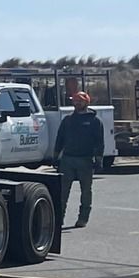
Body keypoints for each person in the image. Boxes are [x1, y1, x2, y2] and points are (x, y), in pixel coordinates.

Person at [52, 90, 103, 228]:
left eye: (79, 100)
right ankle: (58, 219)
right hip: (67, 160)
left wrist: (99, 159)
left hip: (85, 160)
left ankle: (83, 218)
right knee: (62, 192)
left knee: (86, 191)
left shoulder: (94, 121)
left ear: (86, 102)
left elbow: (99, 142)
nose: (76, 103)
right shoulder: (67, 120)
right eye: (74, 100)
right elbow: (59, 139)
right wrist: (55, 156)